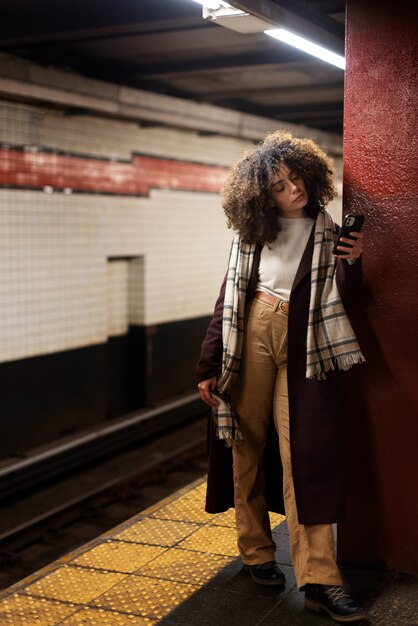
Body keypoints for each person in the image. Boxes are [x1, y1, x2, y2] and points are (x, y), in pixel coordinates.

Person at [196, 131, 368, 624]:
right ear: (260, 195)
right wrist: (208, 363)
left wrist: (351, 260)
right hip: (251, 329)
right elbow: (227, 297)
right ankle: (256, 552)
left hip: (306, 340)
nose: (293, 189)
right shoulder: (252, 234)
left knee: (304, 453)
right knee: (246, 443)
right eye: (279, 185)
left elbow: (347, 298)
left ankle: (320, 579)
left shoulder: (330, 231)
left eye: (297, 179)